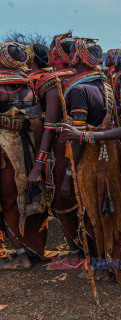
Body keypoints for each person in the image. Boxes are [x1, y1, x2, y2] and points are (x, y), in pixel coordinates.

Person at [57, 37, 121, 282]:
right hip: (110, 153)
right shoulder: (105, 84)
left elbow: (77, 136)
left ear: (76, 58)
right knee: (113, 208)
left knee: (92, 212)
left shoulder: (78, 89)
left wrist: (70, 173)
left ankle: (100, 265)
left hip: (89, 157)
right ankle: (119, 264)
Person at [27, 33, 80, 266]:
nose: (48, 54)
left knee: (62, 201)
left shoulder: (53, 81)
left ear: (58, 54)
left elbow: (49, 127)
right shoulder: (83, 77)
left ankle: (77, 252)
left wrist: (38, 164)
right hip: (88, 145)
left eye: (51, 50)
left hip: (62, 149)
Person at [0, 41, 48, 270]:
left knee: (9, 202)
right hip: (28, 146)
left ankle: (20, 255)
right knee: (32, 198)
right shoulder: (29, 84)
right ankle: (34, 248)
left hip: (5, 148)